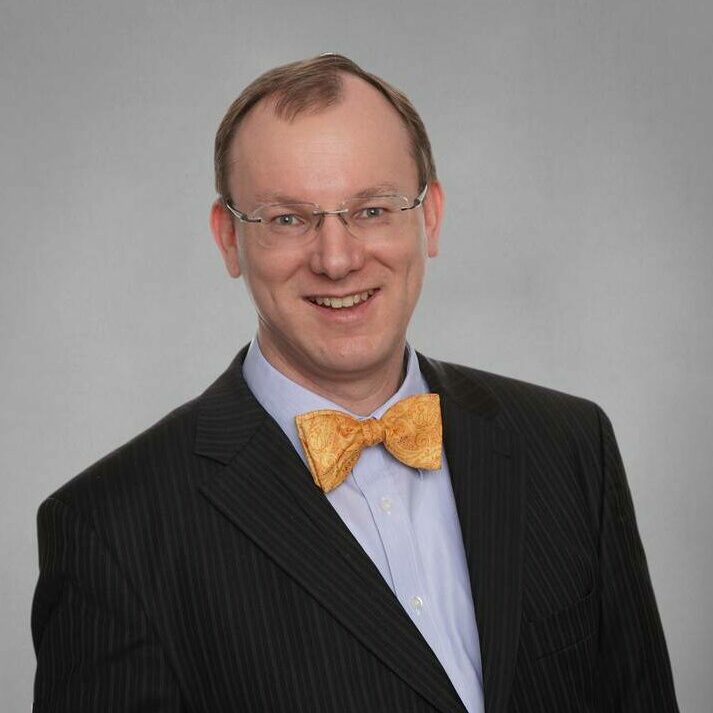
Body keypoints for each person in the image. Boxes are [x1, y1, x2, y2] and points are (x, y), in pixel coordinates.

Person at [31, 54, 679, 713]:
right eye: (287, 218)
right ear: (228, 238)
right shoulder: (112, 530)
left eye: (372, 209)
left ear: (429, 217)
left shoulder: (570, 447)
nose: (337, 259)